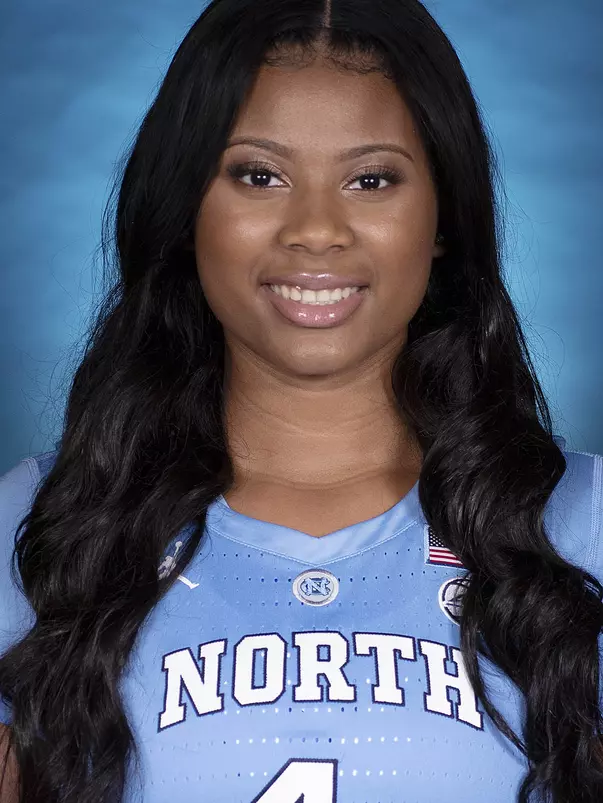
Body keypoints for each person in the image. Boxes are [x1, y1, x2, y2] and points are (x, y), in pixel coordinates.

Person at [0, 0, 602, 800]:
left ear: (441, 219)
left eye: (370, 178)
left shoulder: (583, 522)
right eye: (259, 174)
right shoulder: (38, 524)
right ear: (186, 209)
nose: (315, 229)